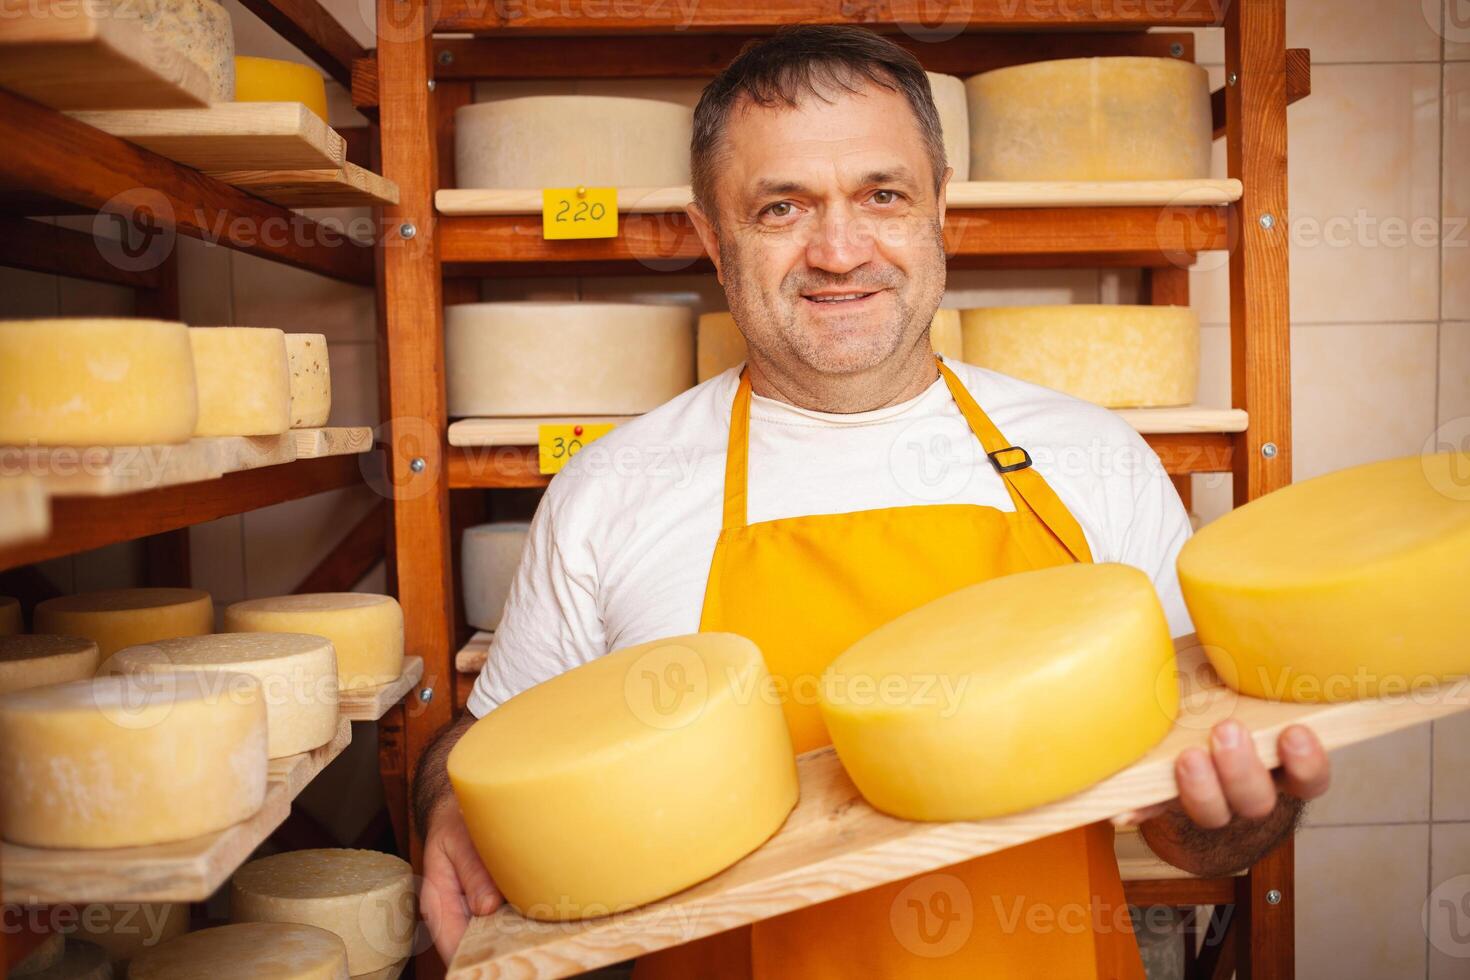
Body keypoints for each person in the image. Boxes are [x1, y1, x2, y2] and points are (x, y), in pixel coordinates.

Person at [413, 25, 1331, 977]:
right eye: (781, 208)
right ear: (709, 238)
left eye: (882, 196)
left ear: (942, 210)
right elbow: (492, 744)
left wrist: (1244, 812)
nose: (840, 250)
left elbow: (1195, 828)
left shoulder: (1093, 460)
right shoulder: (614, 488)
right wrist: (446, 803)